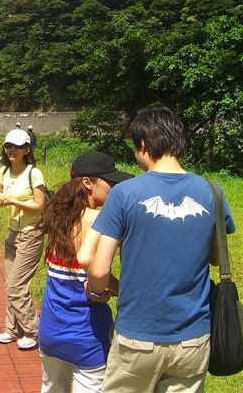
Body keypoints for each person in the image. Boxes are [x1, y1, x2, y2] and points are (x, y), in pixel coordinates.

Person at [81, 106, 236, 393]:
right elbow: (215, 259)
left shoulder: (124, 194)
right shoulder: (211, 191)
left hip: (137, 338)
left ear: (143, 145)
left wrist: (96, 290)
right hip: (193, 338)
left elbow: (99, 270)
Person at [39, 151, 133, 393]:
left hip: (51, 327)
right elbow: (97, 272)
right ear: (87, 183)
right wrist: (119, 290)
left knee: (52, 388)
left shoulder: (57, 216)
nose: (114, 188)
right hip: (87, 332)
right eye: (110, 182)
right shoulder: (100, 219)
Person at [0, 128, 45, 350]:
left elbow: (39, 205)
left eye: (16, 147)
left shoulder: (33, 173)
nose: (11, 150)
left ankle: (34, 331)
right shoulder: (4, 171)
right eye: (8, 146)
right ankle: (12, 329)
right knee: (10, 285)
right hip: (12, 233)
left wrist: (13, 202)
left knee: (16, 285)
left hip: (31, 234)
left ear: (27, 149)